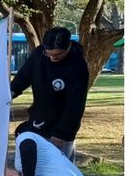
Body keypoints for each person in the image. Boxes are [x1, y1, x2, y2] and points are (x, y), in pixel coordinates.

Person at [10, 27, 89, 161]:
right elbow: (23, 77)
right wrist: (11, 92)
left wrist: (61, 133)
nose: (52, 58)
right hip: (37, 121)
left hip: (61, 127)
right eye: (49, 54)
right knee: (31, 167)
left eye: (58, 55)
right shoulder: (39, 54)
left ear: (68, 47)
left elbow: (75, 105)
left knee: (59, 169)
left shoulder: (78, 66)